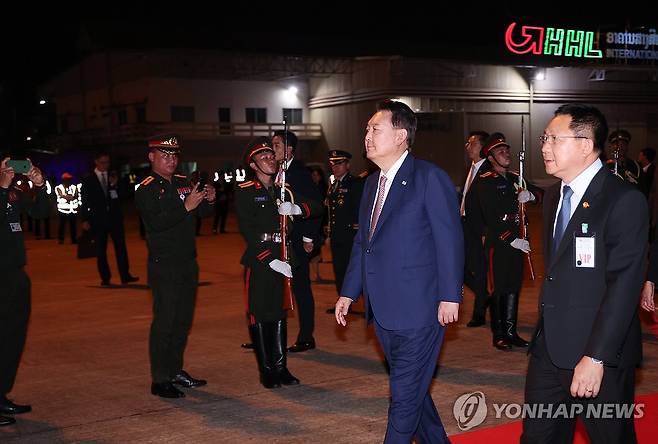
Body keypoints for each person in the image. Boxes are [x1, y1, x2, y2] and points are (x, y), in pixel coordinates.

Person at [335, 100, 463, 443]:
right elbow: (364, 242)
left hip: (421, 310)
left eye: (375, 129)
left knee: (403, 399)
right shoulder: (372, 183)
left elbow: (449, 240)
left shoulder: (428, 177)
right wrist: (349, 291)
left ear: (401, 136)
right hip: (383, 311)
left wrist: (451, 296)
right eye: (366, 129)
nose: (367, 135)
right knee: (414, 393)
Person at [521, 104, 647, 443]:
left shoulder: (623, 200)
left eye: (553, 139)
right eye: (543, 138)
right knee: (537, 436)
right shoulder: (552, 197)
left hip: (599, 353)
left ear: (584, 144)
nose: (544, 146)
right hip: (549, 349)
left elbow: (623, 286)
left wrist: (596, 356)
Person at [234, 138, 322, 388]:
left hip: (284, 258)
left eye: (272, 156)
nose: (270, 160)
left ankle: (281, 367)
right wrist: (270, 260)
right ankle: (267, 370)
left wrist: (295, 209)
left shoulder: (284, 189)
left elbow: (317, 206)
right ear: (253, 164)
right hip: (262, 261)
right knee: (261, 314)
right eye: (263, 157)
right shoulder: (245, 191)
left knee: (280, 313)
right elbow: (248, 231)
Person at [135, 134, 216, 398]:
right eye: (164, 155)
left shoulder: (184, 182)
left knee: (183, 321)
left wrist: (209, 199)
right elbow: (156, 222)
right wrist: (186, 206)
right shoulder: (145, 188)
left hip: (187, 262)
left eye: (174, 155)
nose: (170, 160)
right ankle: (160, 379)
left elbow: (203, 214)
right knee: (165, 322)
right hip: (164, 265)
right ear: (151, 157)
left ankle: (175, 369)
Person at [470, 134, 541, 350]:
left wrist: (531, 196)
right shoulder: (485, 181)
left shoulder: (514, 178)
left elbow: (543, 194)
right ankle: (499, 334)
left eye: (507, 150)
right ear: (490, 157)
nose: (506, 154)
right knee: (499, 289)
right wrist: (512, 240)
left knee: (513, 288)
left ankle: (511, 331)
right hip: (499, 245)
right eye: (500, 151)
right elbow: (491, 218)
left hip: (519, 242)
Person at [0, 157, 49, 427]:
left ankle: (1, 393)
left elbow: (41, 213)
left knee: (12, 340)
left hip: (15, 276)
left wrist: (39, 185)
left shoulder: (12, 193)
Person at [272, 130, 323, 353]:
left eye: (276, 145)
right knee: (274, 290)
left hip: (298, 240)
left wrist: (308, 237)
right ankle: (270, 336)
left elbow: (316, 205)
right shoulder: (274, 172)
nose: (272, 149)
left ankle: (306, 336)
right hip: (278, 240)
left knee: (301, 288)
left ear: (289, 149)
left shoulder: (300, 173)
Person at [80, 152, 138, 286]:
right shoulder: (89, 179)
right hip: (98, 220)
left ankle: (125, 275)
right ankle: (105, 278)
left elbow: (124, 195)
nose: (106, 165)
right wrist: (85, 220)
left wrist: (115, 185)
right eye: (103, 162)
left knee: (121, 248)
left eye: (107, 162)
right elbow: (85, 201)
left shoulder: (114, 176)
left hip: (115, 219)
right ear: (96, 162)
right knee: (101, 250)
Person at [461, 130, 491, 327]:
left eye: (472, 143)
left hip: (479, 229)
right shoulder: (471, 168)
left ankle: (479, 313)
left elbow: (490, 205)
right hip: (463, 225)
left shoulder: (488, 171)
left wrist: (485, 232)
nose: (468, 146)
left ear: (482, 146)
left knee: (479, 269)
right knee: (459, 268)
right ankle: (485, 295)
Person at [326, 149, 364, 295]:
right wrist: (329, 234)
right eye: (333, 164)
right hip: (337, 235)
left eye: (339, 164)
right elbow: (331, 212)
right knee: (339, 270)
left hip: (350, 235)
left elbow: (359, 210)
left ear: (347, 165)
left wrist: (358, 233)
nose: (335, 167)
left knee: (353, 270)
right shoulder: (333, 185)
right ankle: (342, 301)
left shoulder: (355, 184)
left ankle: (357, 300)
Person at [308, 165, 327, 281]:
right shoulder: (309, 188)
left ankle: (316, 274)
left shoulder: (323, 188)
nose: (314, 177)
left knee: (317, 251)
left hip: (320, 223)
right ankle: (314, 274)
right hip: (312, 222)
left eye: (316, 175)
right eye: (313, 175)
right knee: (313, 251)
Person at [55, 172, 80, 244]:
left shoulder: (74, 187)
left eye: (70, 179)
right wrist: (71, 197)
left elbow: (77, 195)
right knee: (62, 225)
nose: (69, 181)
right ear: (63, 180)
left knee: (73, 226)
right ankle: (61, 239)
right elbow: (62, 196)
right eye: (67, 179)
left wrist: (70, 197)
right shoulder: (59, 187)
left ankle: (74, 239)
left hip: (72, 210)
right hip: (63, 210)